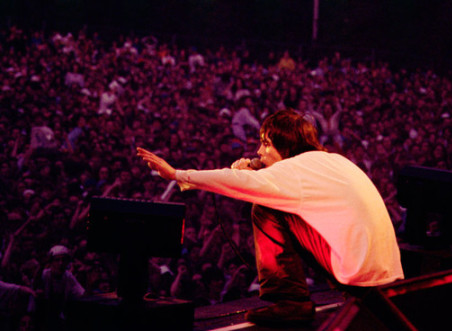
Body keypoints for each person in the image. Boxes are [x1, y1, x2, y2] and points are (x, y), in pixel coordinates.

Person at [137, 109, 404, 325]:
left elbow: (236, 181)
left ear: (284, 144)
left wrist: (177, 174)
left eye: (265, 143)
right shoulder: (331, 160)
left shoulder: (293, 171)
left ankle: (290, 301)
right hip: (386, 272)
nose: (259, 152)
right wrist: (254, 172)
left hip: (358, 273)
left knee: (264, 208)